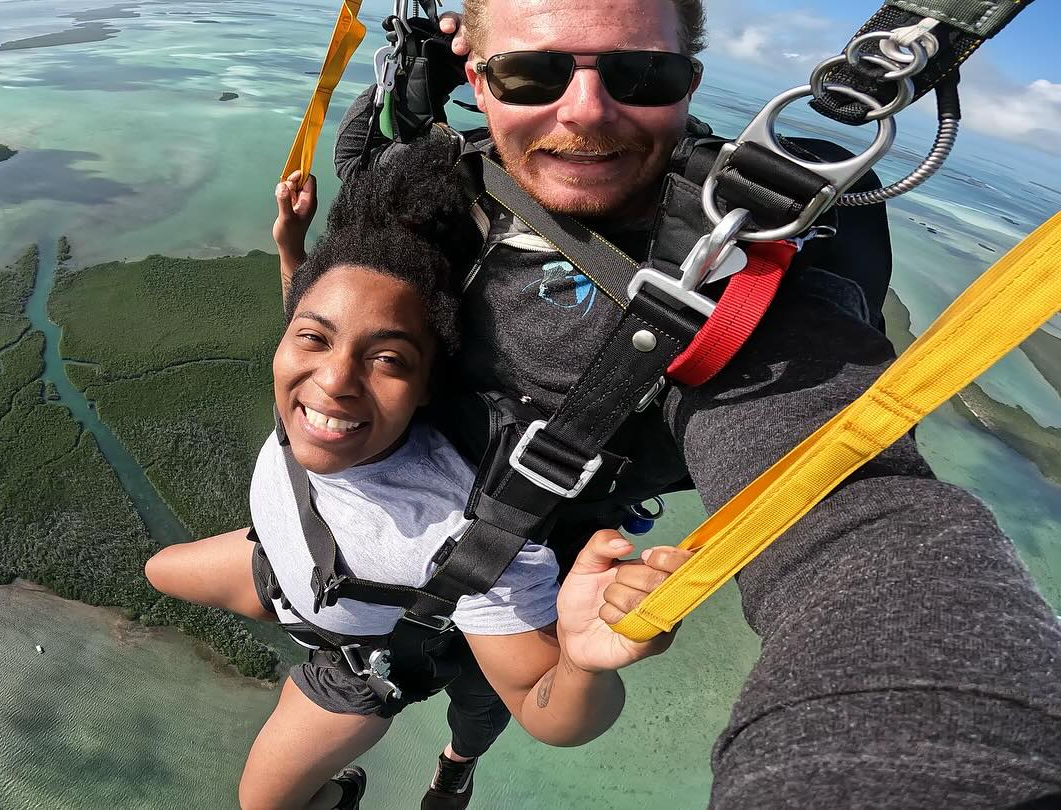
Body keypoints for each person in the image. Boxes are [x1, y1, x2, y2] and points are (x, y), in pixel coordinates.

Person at [272, 0, 1061, 807]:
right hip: (392, 542)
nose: (583, 111)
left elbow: (854, 523)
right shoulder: (438, 182)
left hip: (525, 590)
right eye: (530, 73)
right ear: (477, 76)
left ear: (689, 87)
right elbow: (351, 265)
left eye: (641, 74)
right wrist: (311, 231)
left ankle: (455, 766)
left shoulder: (733, 273)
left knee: (477, 708)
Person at [146, 145, 697, 810]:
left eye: (387, 359)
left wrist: (580, 662)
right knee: (158, 571)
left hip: (357, 663)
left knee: (263, 806)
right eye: (313, 339)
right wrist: (291, 242)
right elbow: (311, 311)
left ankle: (386, 780)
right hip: (289, 566)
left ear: (427, 386)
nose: (333, 383)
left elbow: (546, 711)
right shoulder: (313, 393)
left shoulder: (455, 534)